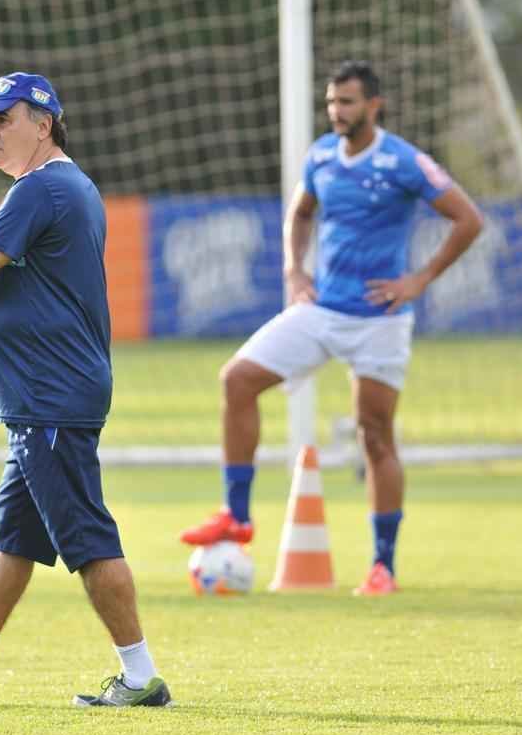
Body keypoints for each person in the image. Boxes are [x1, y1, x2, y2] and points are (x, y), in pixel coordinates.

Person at [0, 72, 171, 707]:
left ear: (43, 124)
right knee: (16, 537)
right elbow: (5, 277)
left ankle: (142, 677)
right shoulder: (66, 186)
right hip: (46, 398)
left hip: (51, 397)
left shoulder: (41, 189)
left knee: (89, 538)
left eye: (3, 119)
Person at [179, 60, 483, 596]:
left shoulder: (403, 160)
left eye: (346, 102)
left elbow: (468, 219)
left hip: (380, 319)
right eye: (331, 103)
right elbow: (300, 214)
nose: (336, 112)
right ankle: (238, 516)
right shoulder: (321, 155)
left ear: (373, 105)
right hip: (322, 310)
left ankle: (382, 566)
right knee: (237, 379)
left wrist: (419, 279)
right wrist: (295, 269)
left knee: (375, 434)